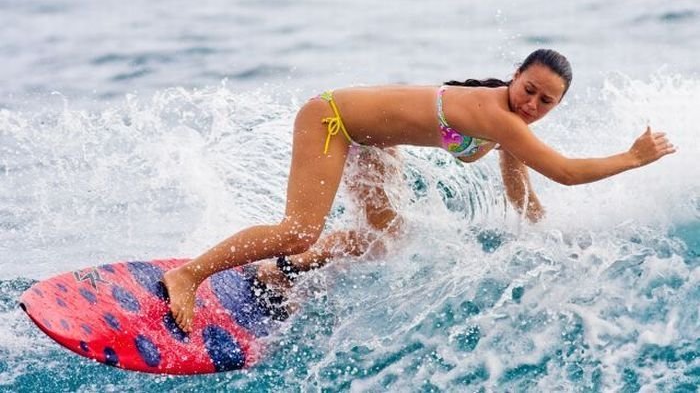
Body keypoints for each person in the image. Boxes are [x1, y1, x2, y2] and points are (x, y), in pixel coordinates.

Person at [163, 49, 676, 332]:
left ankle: (280, 273)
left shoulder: (509, 128)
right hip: (331, 118)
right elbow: (562, 172)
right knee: (300, 227)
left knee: (383, 240)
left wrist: (552, 245)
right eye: (530, 90)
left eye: (547, 101)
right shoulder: (495, 112)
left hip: (369, 141)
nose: (533, 104)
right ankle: (189, 276)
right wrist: (633, 158)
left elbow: (523, 198)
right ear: (515, 76)